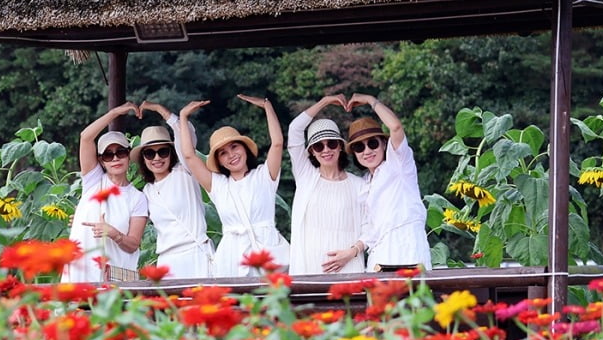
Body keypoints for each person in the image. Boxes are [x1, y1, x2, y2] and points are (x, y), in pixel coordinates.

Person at [178, 95, 289, 276]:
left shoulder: (264, 175)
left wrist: (267, 106)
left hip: (267, 250)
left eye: (235, 147)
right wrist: (183, 116)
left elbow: (277, 143)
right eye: (223, 153)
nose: (231, 155)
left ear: (245, 148)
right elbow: (189, 156)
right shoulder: (218, 185)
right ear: (219, 160)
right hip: (232, 255)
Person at [62, 103, 149, 283]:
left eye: (120, 152)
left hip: (114, 277)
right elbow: (85, 138)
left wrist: (114, 233)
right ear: (101, 161)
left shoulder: (137, 197)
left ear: (128, 156)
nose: (115, 158)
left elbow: (133, 244)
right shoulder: (93, 181)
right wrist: (115, 112)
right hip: (80, 272)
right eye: (108, 155)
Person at [345, 93, 432, 270]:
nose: (367, 151)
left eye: (372, 143)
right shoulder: (366, 183)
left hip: (408, 249)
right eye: (359, 147)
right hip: (379, 256)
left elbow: (396, 127)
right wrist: (352, 251)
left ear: (384, 144)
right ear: (354, 153)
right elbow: (371, 231)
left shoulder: (399, 163)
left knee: (414, 297)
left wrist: (370, 100)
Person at [287, 95, 367, 275]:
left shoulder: (359, 185)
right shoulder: (305, 177)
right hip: (309, 268)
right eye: (318, 146)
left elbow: (371, 228)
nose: (326, 150)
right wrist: (324, 102)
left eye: (331, 143)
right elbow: (294, 130)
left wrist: (352, 252)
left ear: (340, 146)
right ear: (311, 153)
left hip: (350, 267)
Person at [133, 102, 214, 279]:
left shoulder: (184, 171)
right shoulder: (146, 191)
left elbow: (187, 140)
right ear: (143, 159)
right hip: (168, 261)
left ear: (172, 153)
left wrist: (161, 110)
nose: (157, 158)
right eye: (149, 153)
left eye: (163, 151)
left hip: (196, 252)